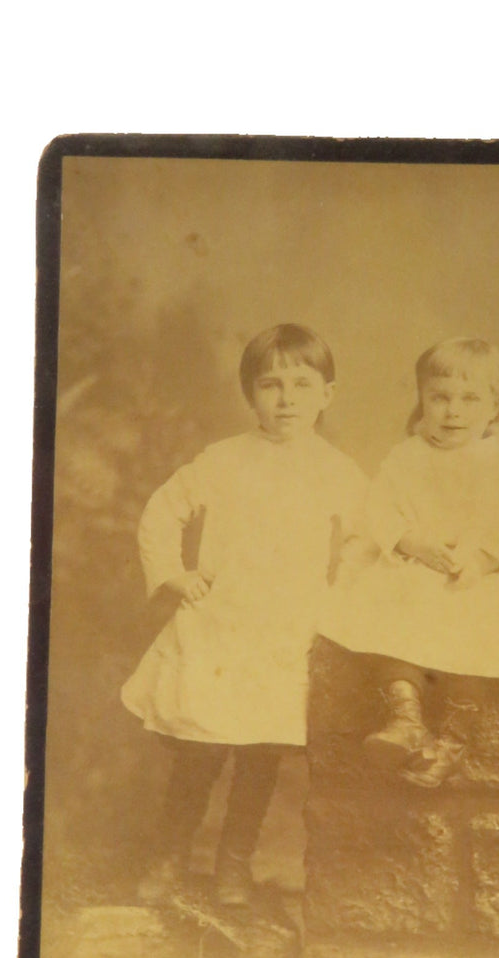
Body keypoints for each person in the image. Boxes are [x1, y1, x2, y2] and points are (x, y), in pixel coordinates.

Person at [122, 324, 366, 904]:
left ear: (327, 394)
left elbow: (367, 538)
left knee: (260, 756)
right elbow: (162, 511)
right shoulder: (223, 460)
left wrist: (336, 600)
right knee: (200, 751)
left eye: (302, 385)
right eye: (271, 385)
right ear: (250, 394)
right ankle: (169, 858)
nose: (286, 400)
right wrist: (174, 574)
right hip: (220, 627)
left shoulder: (336, 470)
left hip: (283, 633)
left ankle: (235, 864)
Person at [320, 336, 499, 788]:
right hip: (418, 570)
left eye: (470, 399)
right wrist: (411, 542)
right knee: (384, 611)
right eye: (439, 398)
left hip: (479, 577)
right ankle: (405, 716)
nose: (453, 411)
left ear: (495, 407)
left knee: (479, 629)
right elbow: (380, 508)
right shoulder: (407, 456)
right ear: (422, 401)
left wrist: (483, 558)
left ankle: (453, 741)